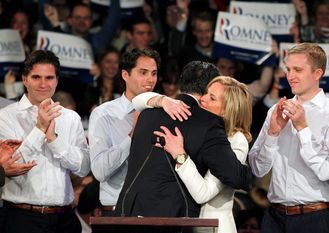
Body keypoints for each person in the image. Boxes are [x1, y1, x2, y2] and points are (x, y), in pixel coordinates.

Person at [115, 61, 253, 222]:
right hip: (171, 216)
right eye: (208, 93)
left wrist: (161, 101)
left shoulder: (146, 114)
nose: (205, 100)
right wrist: (250, 177)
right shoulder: (207, 124)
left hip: (128, 211)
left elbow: (138, 101)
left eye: (213, 97)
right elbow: (236, 176)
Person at [248, 43, 329, 233]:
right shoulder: (275, 111)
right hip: (274, 218)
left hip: (315, 220)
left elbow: (327, 172)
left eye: (298, 70)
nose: (290, 76)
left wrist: (303, 128)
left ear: (317, 73)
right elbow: (257, 169)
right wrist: (272, 134)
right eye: (288, 69)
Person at [88, 48, 188, 216]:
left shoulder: (167, 112)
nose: (150, 79)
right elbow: (99, 171)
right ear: (125, 75)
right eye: (143, 72)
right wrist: (132, 135)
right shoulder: (103, 114)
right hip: (116, 211)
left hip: (157, 211)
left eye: (154, 73)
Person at [0, 50, 90, 233]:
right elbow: (10, 167)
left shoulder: (71, 118)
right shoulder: (5, 117)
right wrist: (40, 129)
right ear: (24, 79)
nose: (43, 84)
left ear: (57, 80)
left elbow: (83, 167)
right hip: (21, 219)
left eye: (49, 78)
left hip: (65, 219)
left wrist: (54, 140)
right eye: (36, 77)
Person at [150, 76, 253, 233]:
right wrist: (162, 101)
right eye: (206, 93)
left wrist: (180, 155)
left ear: (227, 110)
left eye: (212, 98)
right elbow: (138, 100)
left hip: (214, 228)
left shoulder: (236, 140)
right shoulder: (201, 129)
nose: (202, 99)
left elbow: (202, 194)